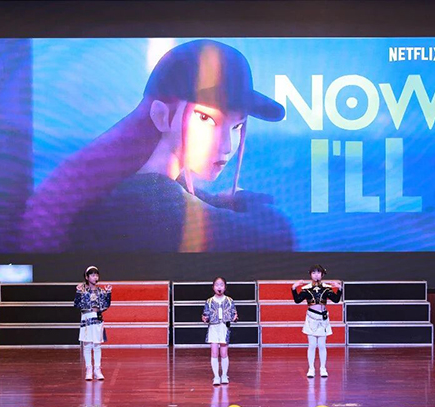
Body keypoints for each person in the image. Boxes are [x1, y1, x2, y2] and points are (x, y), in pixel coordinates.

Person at [22, 39, 293, 253]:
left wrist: (222, 202)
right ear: (161, 116)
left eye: (237, 127)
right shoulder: (145, 200)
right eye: (205, 118)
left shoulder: (152, 189)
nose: (226, 145)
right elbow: (278, 236)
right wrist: (246, 202)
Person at [292, 265, 342, 377]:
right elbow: (297, 300)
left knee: (322, 345)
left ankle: (323, 368)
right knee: (312, 345)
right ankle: (311, 368)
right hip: (311, 318)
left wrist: (339, 288)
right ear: (310, 274)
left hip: (323, 318)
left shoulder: (327, 288)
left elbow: (335, 300)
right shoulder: (306, 288)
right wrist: (294, 288)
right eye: (314, 273)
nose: (316, 275)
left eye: (318, 273)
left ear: (322, 274)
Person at [74, 265, 112, 381]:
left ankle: (97, 369)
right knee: (87, 345)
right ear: (87, 277)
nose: (95, 277)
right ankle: (88, 369)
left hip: (97, 319)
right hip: (86, 319)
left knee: (97, 345)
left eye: (96, 275)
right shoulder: (82, 290)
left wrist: (108, 293)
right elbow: (77, 304)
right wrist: (78, 293)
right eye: (92, 275)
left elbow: (106, 305)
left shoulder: (101, 291)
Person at [202, 277, 238, 385]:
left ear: (225, 287)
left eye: (221, 285)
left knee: (224, 353)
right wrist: (205, 318)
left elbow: (234, 314)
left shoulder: (229, 300)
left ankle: (224, 375)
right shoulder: (209, 301)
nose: (219, 287)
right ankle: (216, 377)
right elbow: (205, 315)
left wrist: (235, 318)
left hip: (224, 327)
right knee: (214, 352)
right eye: (217, 285)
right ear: (213, 287)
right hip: (213, 328)